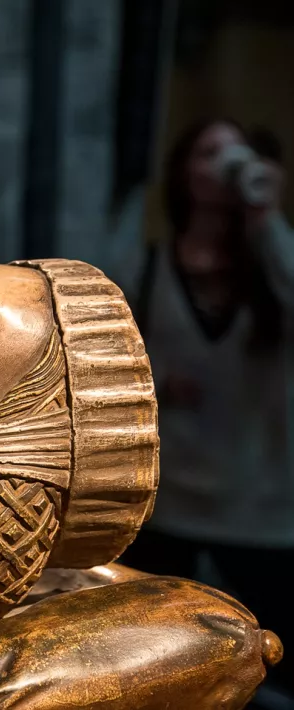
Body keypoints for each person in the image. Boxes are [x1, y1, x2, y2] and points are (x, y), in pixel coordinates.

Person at [103, 119, 294, 693]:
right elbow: (106, 349)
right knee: (158, 660)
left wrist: (267, 218)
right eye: (209, 152)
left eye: (239, 152)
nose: (225, 164)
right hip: (168, 498)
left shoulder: (273, 264)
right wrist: (156, 380)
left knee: (271, 661)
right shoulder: (149, 263)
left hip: (260, 502)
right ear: (185, 172)